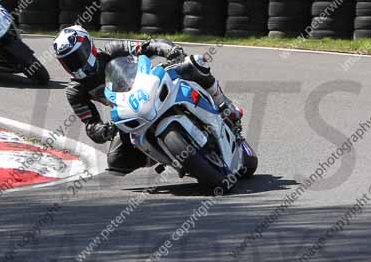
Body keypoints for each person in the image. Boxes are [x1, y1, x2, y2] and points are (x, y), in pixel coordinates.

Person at [52, 25, 242, 175]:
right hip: (129, 109)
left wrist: (172, 51)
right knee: (116, 161)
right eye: (68, 61)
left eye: (77, 56)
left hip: (150, 84)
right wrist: (103, 131)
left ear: (89, 47)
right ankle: (164, 155)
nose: (75, 64)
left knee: (194, 63)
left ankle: (223, 103)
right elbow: (90, 124)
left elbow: (147, 46)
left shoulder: (112, 50)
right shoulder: (75, 90)